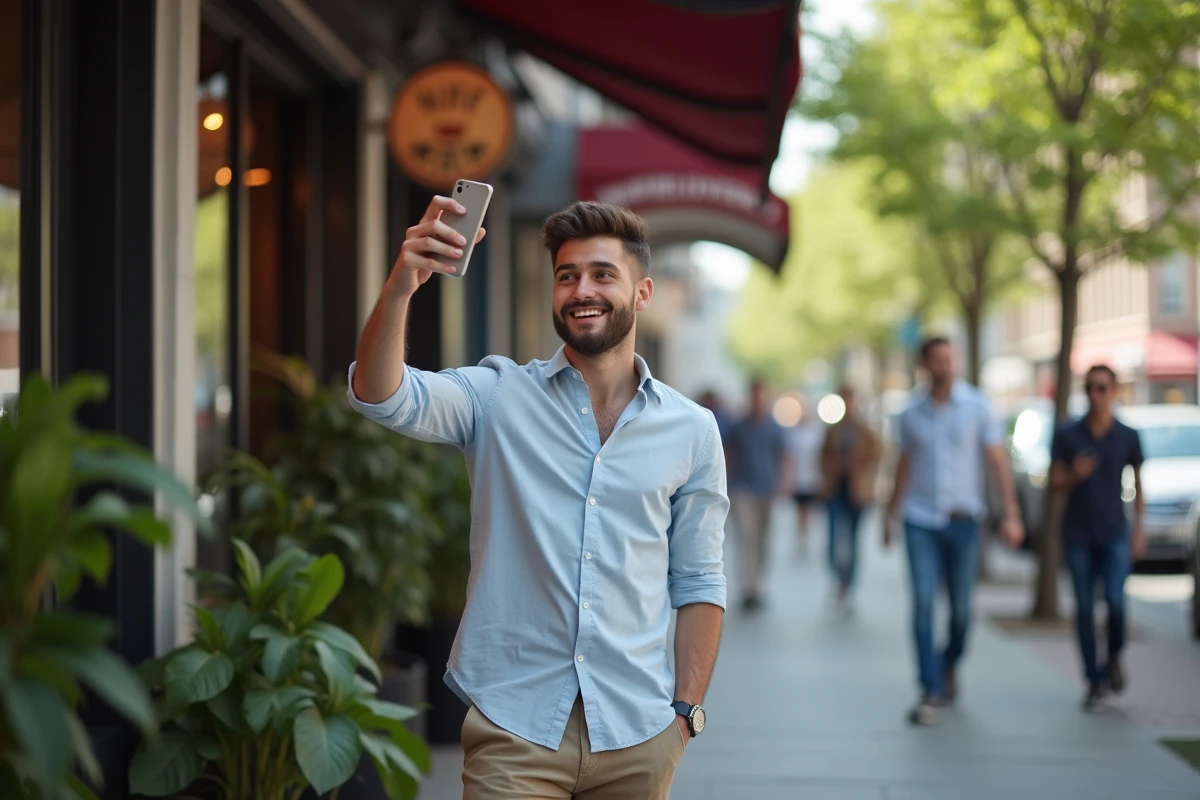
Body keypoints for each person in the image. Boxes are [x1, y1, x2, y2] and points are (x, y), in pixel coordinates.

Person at [349, 198, 727, 799]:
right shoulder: (498, 395)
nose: (582, 290)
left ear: (643, 293)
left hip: (639, 731)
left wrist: (686, 712)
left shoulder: (692, 430)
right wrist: (401, 287)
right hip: (515, 729)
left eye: (603, 274)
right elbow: (382, 395)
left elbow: (700, 578)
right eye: (567, 275)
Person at [885, 337, 1024, 726]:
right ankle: (929, 688)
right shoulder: (910, 413)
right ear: (924, 365)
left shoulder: (978, 406)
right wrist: (889, 514)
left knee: (962, 612)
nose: (945, 366)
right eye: (937, 360)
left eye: (949, 359)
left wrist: (1011, 513)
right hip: (920, 521)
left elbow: (997, 463)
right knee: (923, 604)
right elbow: (903, 465)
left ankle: (948, 663)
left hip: (965, 522)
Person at [1049, 364, 1144, 713]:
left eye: (1102, 388)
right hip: (1078, 534)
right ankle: (1093, 680)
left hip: (1115, 531)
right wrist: (1075, 474)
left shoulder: (1128, 435)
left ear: (1114, 391)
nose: (1095, 394)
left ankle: (1114, 656)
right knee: (1085, 609)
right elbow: (1054, 483)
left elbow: (1139, 484)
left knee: (1116, 603)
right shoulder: (1067, 434)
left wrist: (1139, 529)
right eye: (1089, 387)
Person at [725, 378, 789, 612]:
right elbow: (728, 455)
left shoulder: (774, 427)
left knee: (762, 539)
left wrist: (784, 482)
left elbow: (784, 456)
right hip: (742, 489)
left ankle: (758, 583)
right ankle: (748, 588)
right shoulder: (738, 427)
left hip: (767, 489)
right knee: (747, 537)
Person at [819, 387, 882, 609]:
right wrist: (832, 467)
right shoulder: (833, 430)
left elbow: (879, 452)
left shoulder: (865, 430)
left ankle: (848, 585)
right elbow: (822, 456)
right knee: (833, 541)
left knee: (854, 541)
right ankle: (838, 578)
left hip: (857, 493)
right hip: (835, 491)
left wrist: (858, 460)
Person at [785, 396, 825, 557]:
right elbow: (790, 457)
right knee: (800, 512)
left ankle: (807, 538)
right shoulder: (794, 433)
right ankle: (801, 539)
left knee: (809, 511)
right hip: (798, 478)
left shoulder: (817, 432)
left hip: (812, 478)